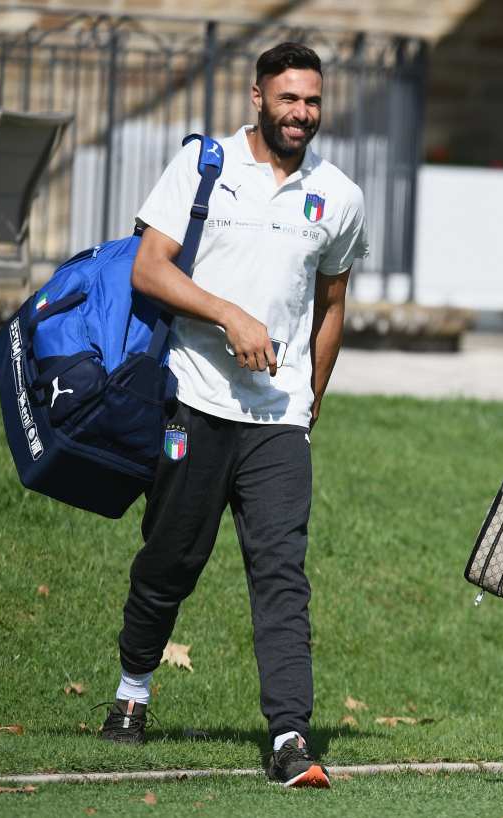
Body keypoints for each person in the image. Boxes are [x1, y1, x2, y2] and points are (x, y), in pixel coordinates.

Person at [97, 42, 368, 790]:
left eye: (312, 101)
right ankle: (132, 690)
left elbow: (333, 308)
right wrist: (228, 316)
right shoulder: (205, 165)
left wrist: (309, 401)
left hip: (280, 419)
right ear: (258, 98)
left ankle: (289, 735)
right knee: (172, 557)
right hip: (193, 399)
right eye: (288, 99)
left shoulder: (339, 195)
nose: (301, 114)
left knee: (282, 573)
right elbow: (149, 267)